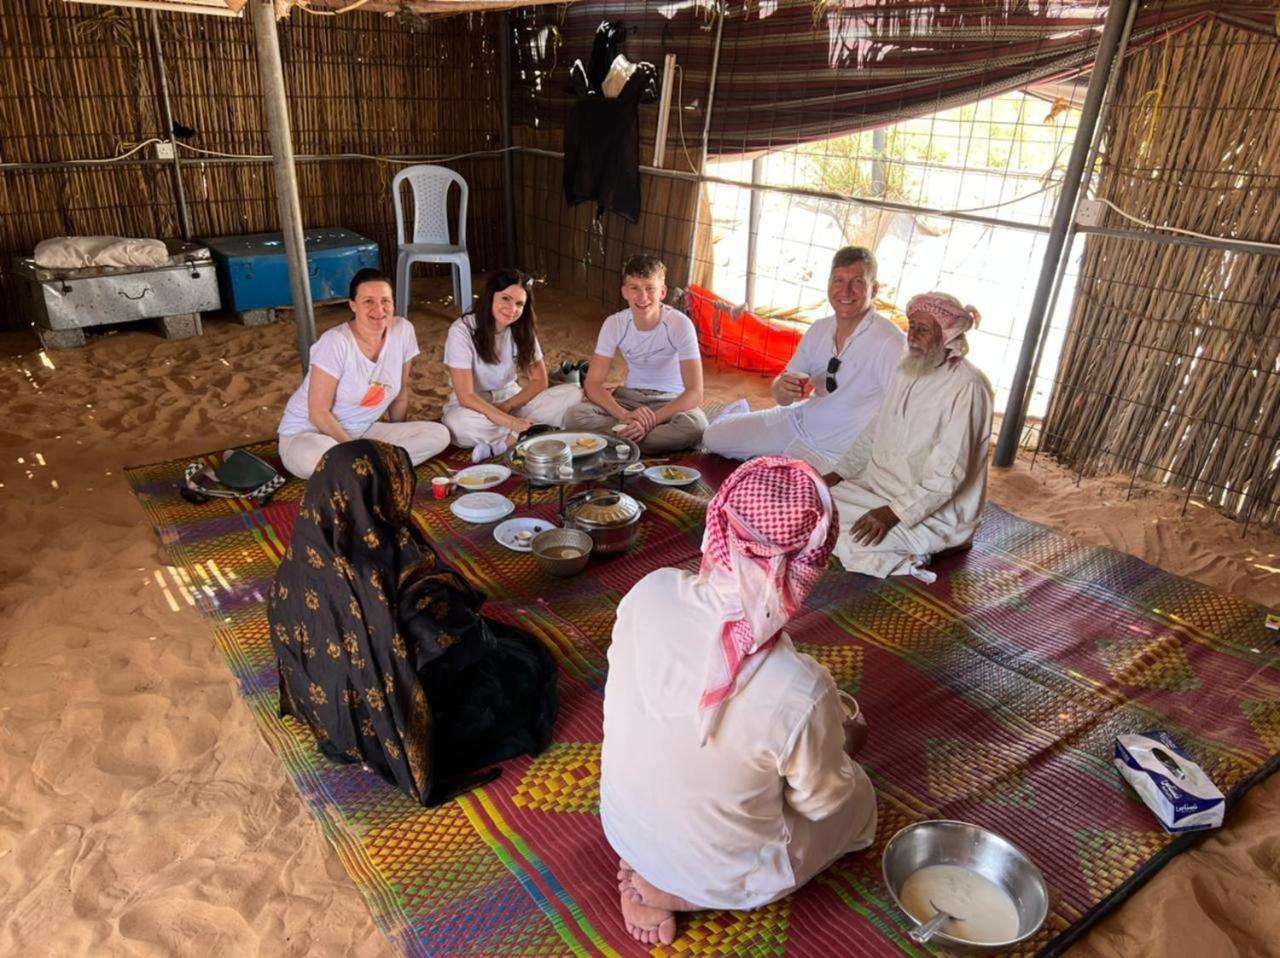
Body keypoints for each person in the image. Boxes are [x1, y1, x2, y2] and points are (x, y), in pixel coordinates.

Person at [600, 457, 876, 946]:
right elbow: (821, 802)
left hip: (624, 826)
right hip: (723, 868)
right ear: (810, 567)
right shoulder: (802, 688)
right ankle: (689, 893)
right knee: (858, 798)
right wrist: (845, 742)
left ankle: (654, 858)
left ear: (716, 525)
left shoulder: (649, 591)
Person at [268, 439, 559, 806]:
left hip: (331, 713)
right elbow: (457, 648)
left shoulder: (298, 561)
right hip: (396, 724)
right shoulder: (403, 578)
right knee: (516, 672)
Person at [825, 292, 993, 579]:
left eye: (924, 329)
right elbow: (877, 427)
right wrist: (839, 473)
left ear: (948, 336)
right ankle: (891, 536)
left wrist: (893, 513)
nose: (912, 335)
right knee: (810, 504)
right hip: (877, 489)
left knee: (854, 544)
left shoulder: (968, 387)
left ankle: (931, 548)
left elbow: (949, 473)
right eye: (911, 325)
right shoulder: (910, 365)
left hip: (935, 513)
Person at [701, 247, 903, 472]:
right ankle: (741, 414)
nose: (846, 291)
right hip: (797, 422)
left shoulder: (890, 342)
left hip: (835, 452)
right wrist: (782, 388)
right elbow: (781, 394)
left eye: (857, 282)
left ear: (873, 289)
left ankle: (774, 459)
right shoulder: (819, 329)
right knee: (713, 437)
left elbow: (900, 413)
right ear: (829, 284)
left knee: (786, 490)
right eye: (838, 280)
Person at [277, 268, 449, 480]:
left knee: (438, 435)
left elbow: (401, 394)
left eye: (386, 301)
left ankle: (365, 470)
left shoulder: (403, 331)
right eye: (368, 301)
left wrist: (399, 436)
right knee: (317, 457)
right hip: (311, 434)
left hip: (364, 431)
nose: (379, 309)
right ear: (353, 305)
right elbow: (318, 412)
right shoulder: (335, 342)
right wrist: (356, 450)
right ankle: (375, 467)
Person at [562, 255, 708, 453]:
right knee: (573, 416)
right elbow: (593, 384)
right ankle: (637, 437)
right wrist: (623, 415)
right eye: (635, 288)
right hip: (629, 399)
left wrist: (651, 421)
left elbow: (695, 393)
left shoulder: (680, 324)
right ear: (625, 292)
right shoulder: (614, 323)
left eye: (650, 288)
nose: (642, 297)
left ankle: (618, 439)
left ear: (663, 292)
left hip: (669, 401)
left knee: (695, 426)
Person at [441, 269, 583, 460]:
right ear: (491, 297)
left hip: (512, 399)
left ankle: (507, 442)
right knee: (456, 424)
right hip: (474, 406)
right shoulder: (462, 331)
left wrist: (508, 407)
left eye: (519, 303)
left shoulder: (523, 329)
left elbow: (540, 381)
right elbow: (466, 396)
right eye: (505, 299)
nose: (512, 308)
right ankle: (531, 432)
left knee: (572, 393)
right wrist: (512, 423)